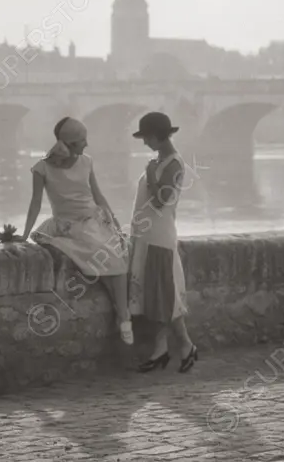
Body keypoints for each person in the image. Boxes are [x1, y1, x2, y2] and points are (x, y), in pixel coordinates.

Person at [18, 117, 133, 344]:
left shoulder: (86, 162)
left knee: (117, 256)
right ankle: (124, 316)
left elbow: (98, 196)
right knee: (109, 258)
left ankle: (123, 316)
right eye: (82, 140)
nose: (86, 144)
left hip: (94, 221)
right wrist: (23, 235)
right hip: (68, 226)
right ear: (70, 144)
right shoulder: (42, 169)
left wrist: (115, 222)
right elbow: (35, 203)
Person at [127, 111, 198, 373]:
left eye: (146, 137)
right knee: (153, 296)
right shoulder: (159, 160)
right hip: (146, 235)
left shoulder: (174, 164)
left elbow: (161, 201)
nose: (145, 142)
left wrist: (152, 176)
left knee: (163, 296)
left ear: (158, 136)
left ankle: (185, 345)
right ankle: (162, 350)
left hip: (159, 236)